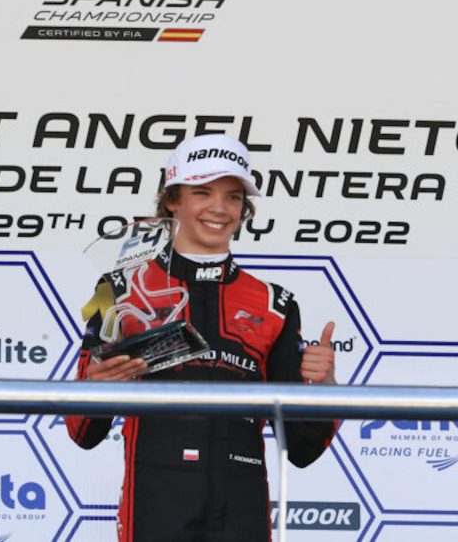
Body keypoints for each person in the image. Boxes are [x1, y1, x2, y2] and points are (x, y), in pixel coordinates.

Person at [65, 133, 339, 542]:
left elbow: (303, 448)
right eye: (202, 192)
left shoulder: (276, 304)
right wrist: (96, 388)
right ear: (172, 200)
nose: (219, 208)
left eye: (232, 197)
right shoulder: (116, 289)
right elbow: (82, 432)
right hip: (154, 496)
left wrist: (326, 386)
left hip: (241, 498)